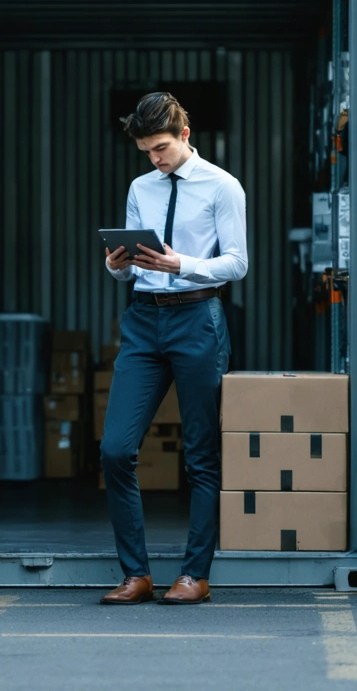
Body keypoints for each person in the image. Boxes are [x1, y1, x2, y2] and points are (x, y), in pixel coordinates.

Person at [99, 92, 248, 605]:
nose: (155, 159)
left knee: (202, 456)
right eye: (146, 151)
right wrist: (117, 264)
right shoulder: (141, 186)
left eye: (160, 147)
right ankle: (136, 574)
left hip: (197, 318)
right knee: (115, 449)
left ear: (184, 134)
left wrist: (181, 264)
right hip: (143, 319)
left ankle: (195, 574)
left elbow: (237, 263)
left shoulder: (222, 186)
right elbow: (129, 267)